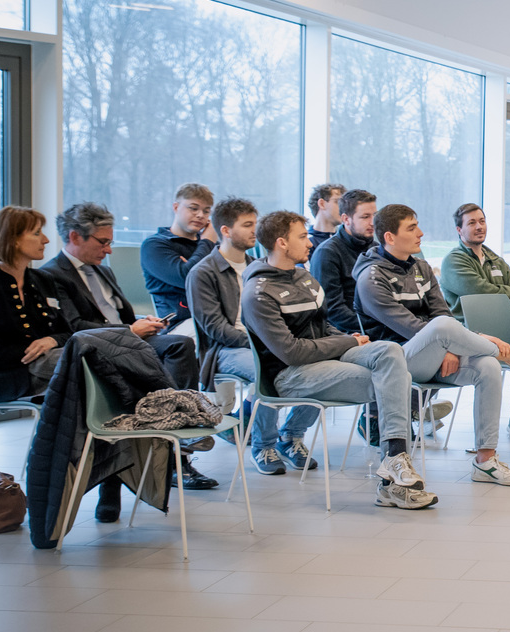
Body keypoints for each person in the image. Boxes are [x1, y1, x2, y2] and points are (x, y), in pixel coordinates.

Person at [353, 204, 510, 485]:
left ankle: (485, 460)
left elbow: (442, 313)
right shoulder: (371, 278)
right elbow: (410, 327)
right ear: (390, 237)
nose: (421, 233)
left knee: (488, 365)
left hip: (437, 355)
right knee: (442, 329)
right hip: (394, 362)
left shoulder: (422, 268)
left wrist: (451, 348)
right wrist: (454, 341)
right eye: (412, 228)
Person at [241, 211, 432, 508]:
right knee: (395, 381)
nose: (310, 242)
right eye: (302, 237)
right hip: (290, 374)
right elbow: (291, 352)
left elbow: (323, 326)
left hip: (327, 355)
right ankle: (392, 477)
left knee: (389, 351)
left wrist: (348, 339)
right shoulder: (258, 292)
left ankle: (394, 458)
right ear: (281, 243)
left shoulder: (304, 277)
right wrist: (346, 341)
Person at [187, 198, 321, 476]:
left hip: (268, 342)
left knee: (320, 366)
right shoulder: (202, 272)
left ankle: (292, 436)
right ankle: (263, 445)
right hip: (226, 350)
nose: (255, 231)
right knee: (270, 367)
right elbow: (214, 329)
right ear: (225, 231)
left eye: (256, 224)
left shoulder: (260, 265)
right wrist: (264, 342)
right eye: (247, 225)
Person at [42, 201, 198, 390]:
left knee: (181, 344)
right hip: (99, 344)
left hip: (127, 337)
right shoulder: (52, 275)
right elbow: (75, 326)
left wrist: (145, 323)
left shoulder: (104, 271)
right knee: (174, 346)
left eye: (110, 242)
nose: (109, 250)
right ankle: (168, 408)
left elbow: (123, 316)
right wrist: (129, 330)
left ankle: (182, 408)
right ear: (75, 237)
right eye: (103, 242)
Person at [0, 206, 72, 403]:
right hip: (13, 378)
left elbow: (68, 331)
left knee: (90, 364)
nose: (45, 240)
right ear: (13, 240)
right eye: (37, 233)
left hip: (55, 365)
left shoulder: (43, 279)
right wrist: (37, 349)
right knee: (84, 364)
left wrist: (51, 341)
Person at [439, 203, 510, 336]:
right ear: (459, 230)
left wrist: (497, 299)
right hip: (472, 329)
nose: (479, 227)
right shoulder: (453, 261)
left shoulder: (496, 259)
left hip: (506, 322)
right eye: (472, 223)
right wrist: (508, 291)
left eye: (482, 221)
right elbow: (482, 299)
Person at [140, 182, 216, 327]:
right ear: (176, 207)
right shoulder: (154, 245)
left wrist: (191, 263)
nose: (200, 215)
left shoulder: (210, 245)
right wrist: (207, 241)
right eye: (193, 208)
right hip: (180, 323)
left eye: (206, 211)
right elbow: (188, 278)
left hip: (216, 318)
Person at [308, 188, 377, 336]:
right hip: (351, 333)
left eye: (374, 216)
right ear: (346, 219)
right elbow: (333, 311)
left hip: (379, 326)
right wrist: (378, 325)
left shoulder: (377, 249)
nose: (372, 223)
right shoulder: (327, 253)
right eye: (365, 217)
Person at [307, 183, 346, 248]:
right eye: (338, 202)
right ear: (322, 204)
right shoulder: (307, 242)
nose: (343, 208)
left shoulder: (345, 241)